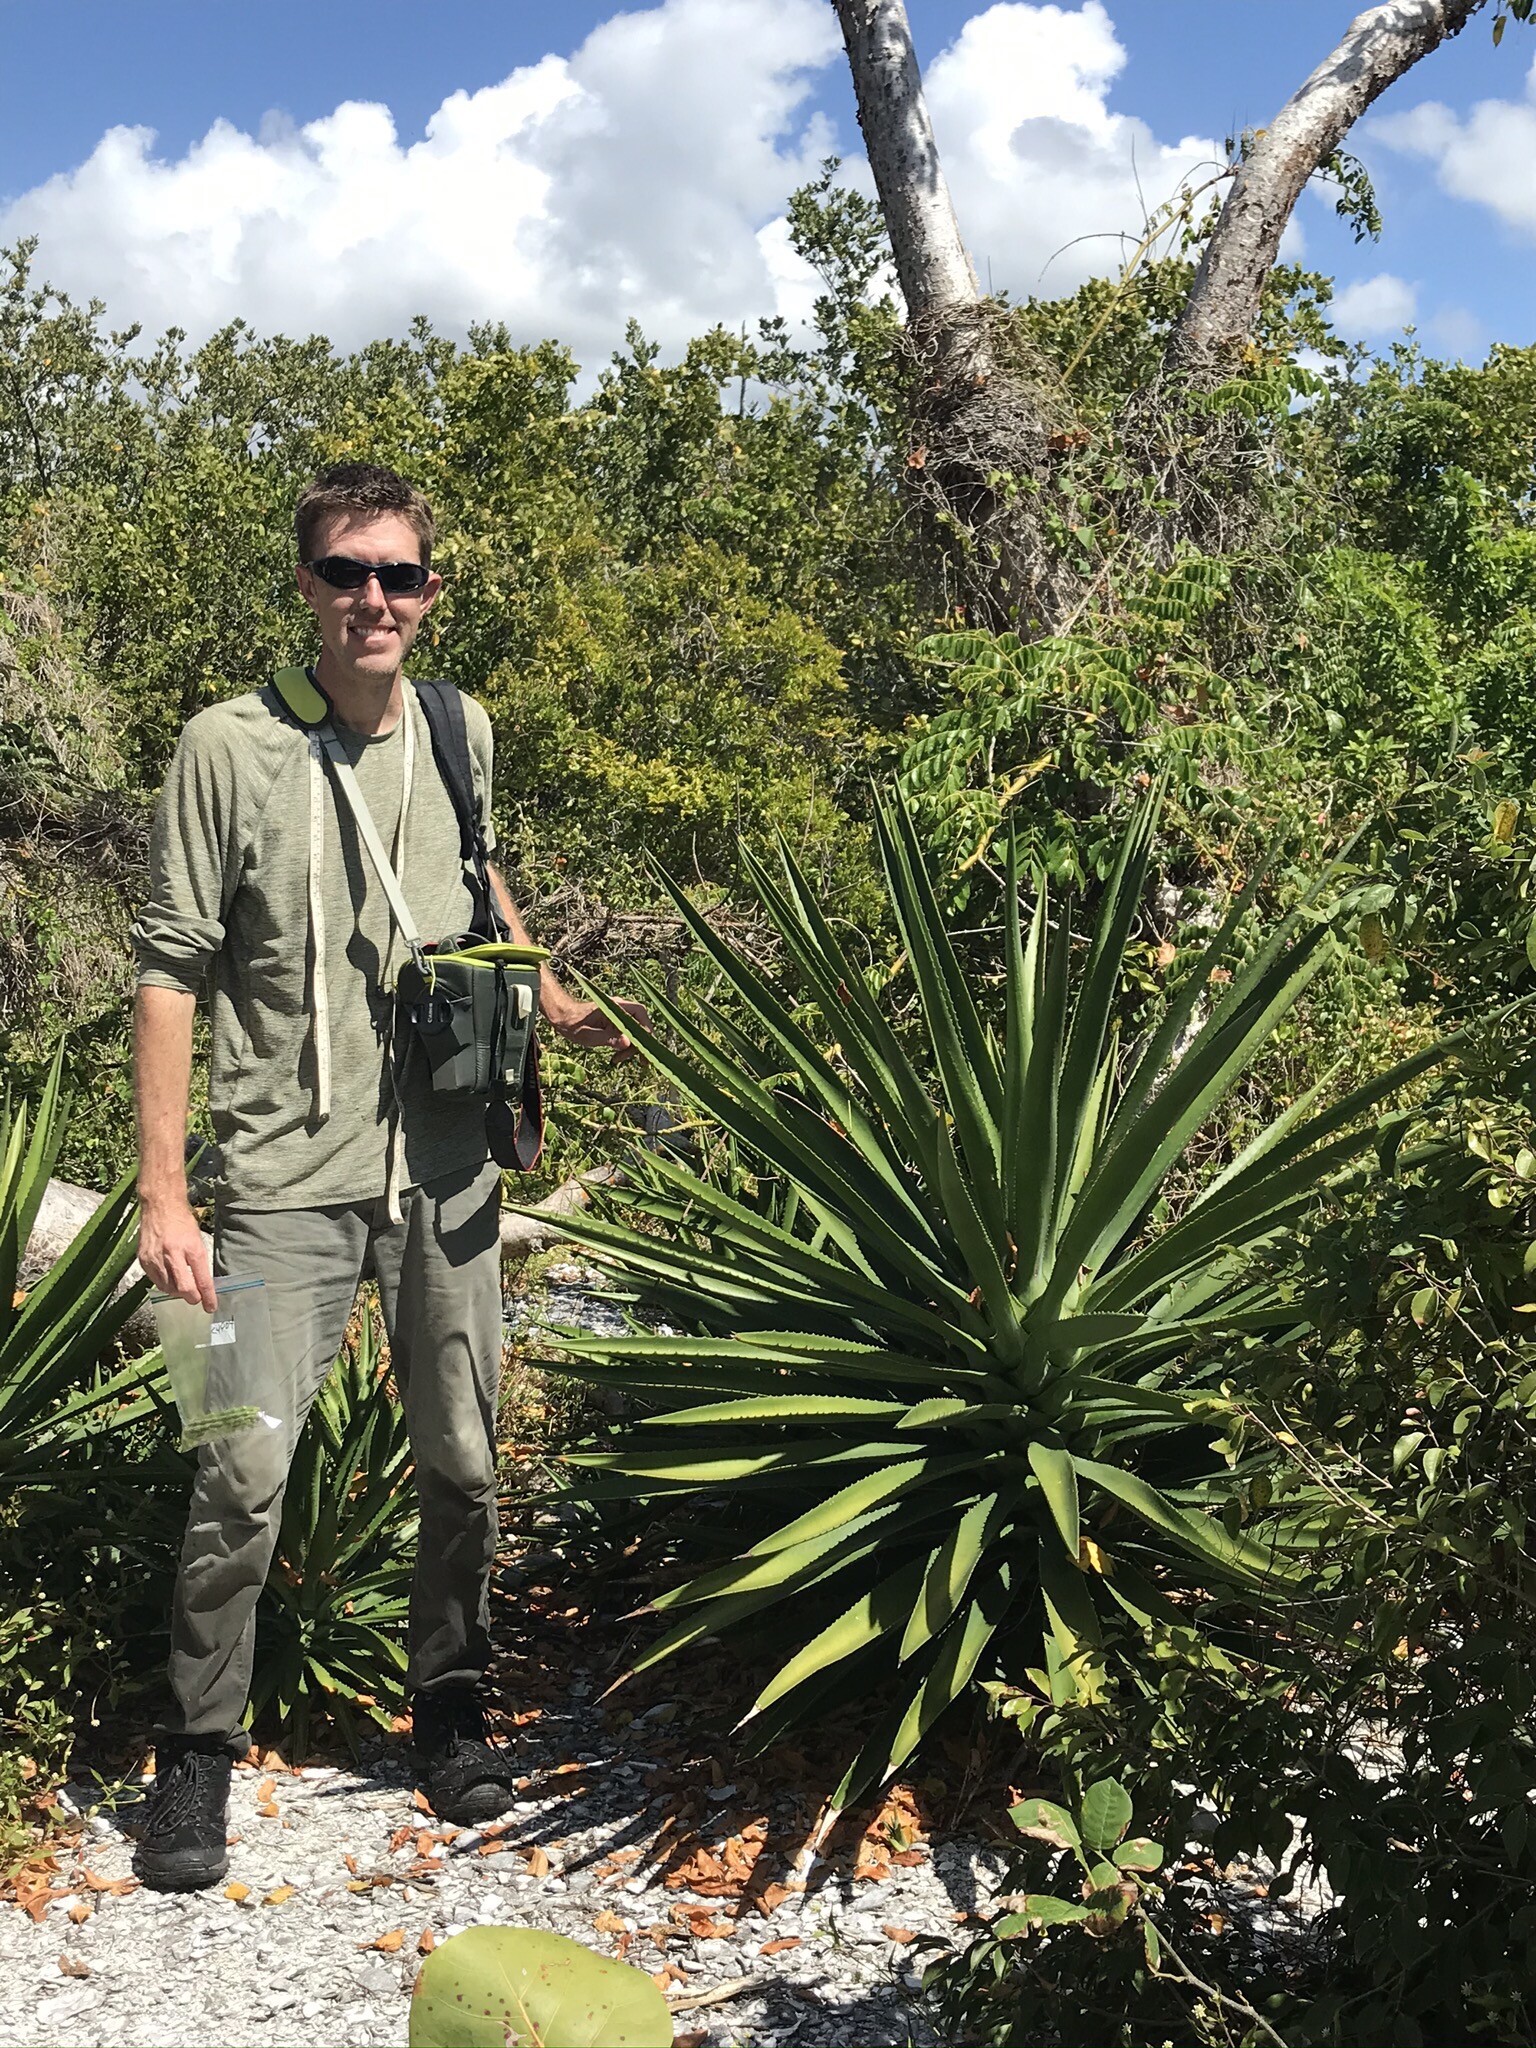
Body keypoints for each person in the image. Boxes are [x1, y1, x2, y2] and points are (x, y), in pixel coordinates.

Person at [128, 462, 646, 1892]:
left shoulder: (460, 726)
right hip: (274, 1175)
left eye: (399, 575)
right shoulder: (222, 750)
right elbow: (169, 972)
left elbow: (479, 882)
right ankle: (195, 1751)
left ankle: (452, 1704)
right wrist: (165, 1197)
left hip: (448, 1158)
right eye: (347, 572)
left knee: (467, 1457)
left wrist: (545, 993)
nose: (375, 599)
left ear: (429, 590)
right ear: (304, 586)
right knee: (238, 1460)